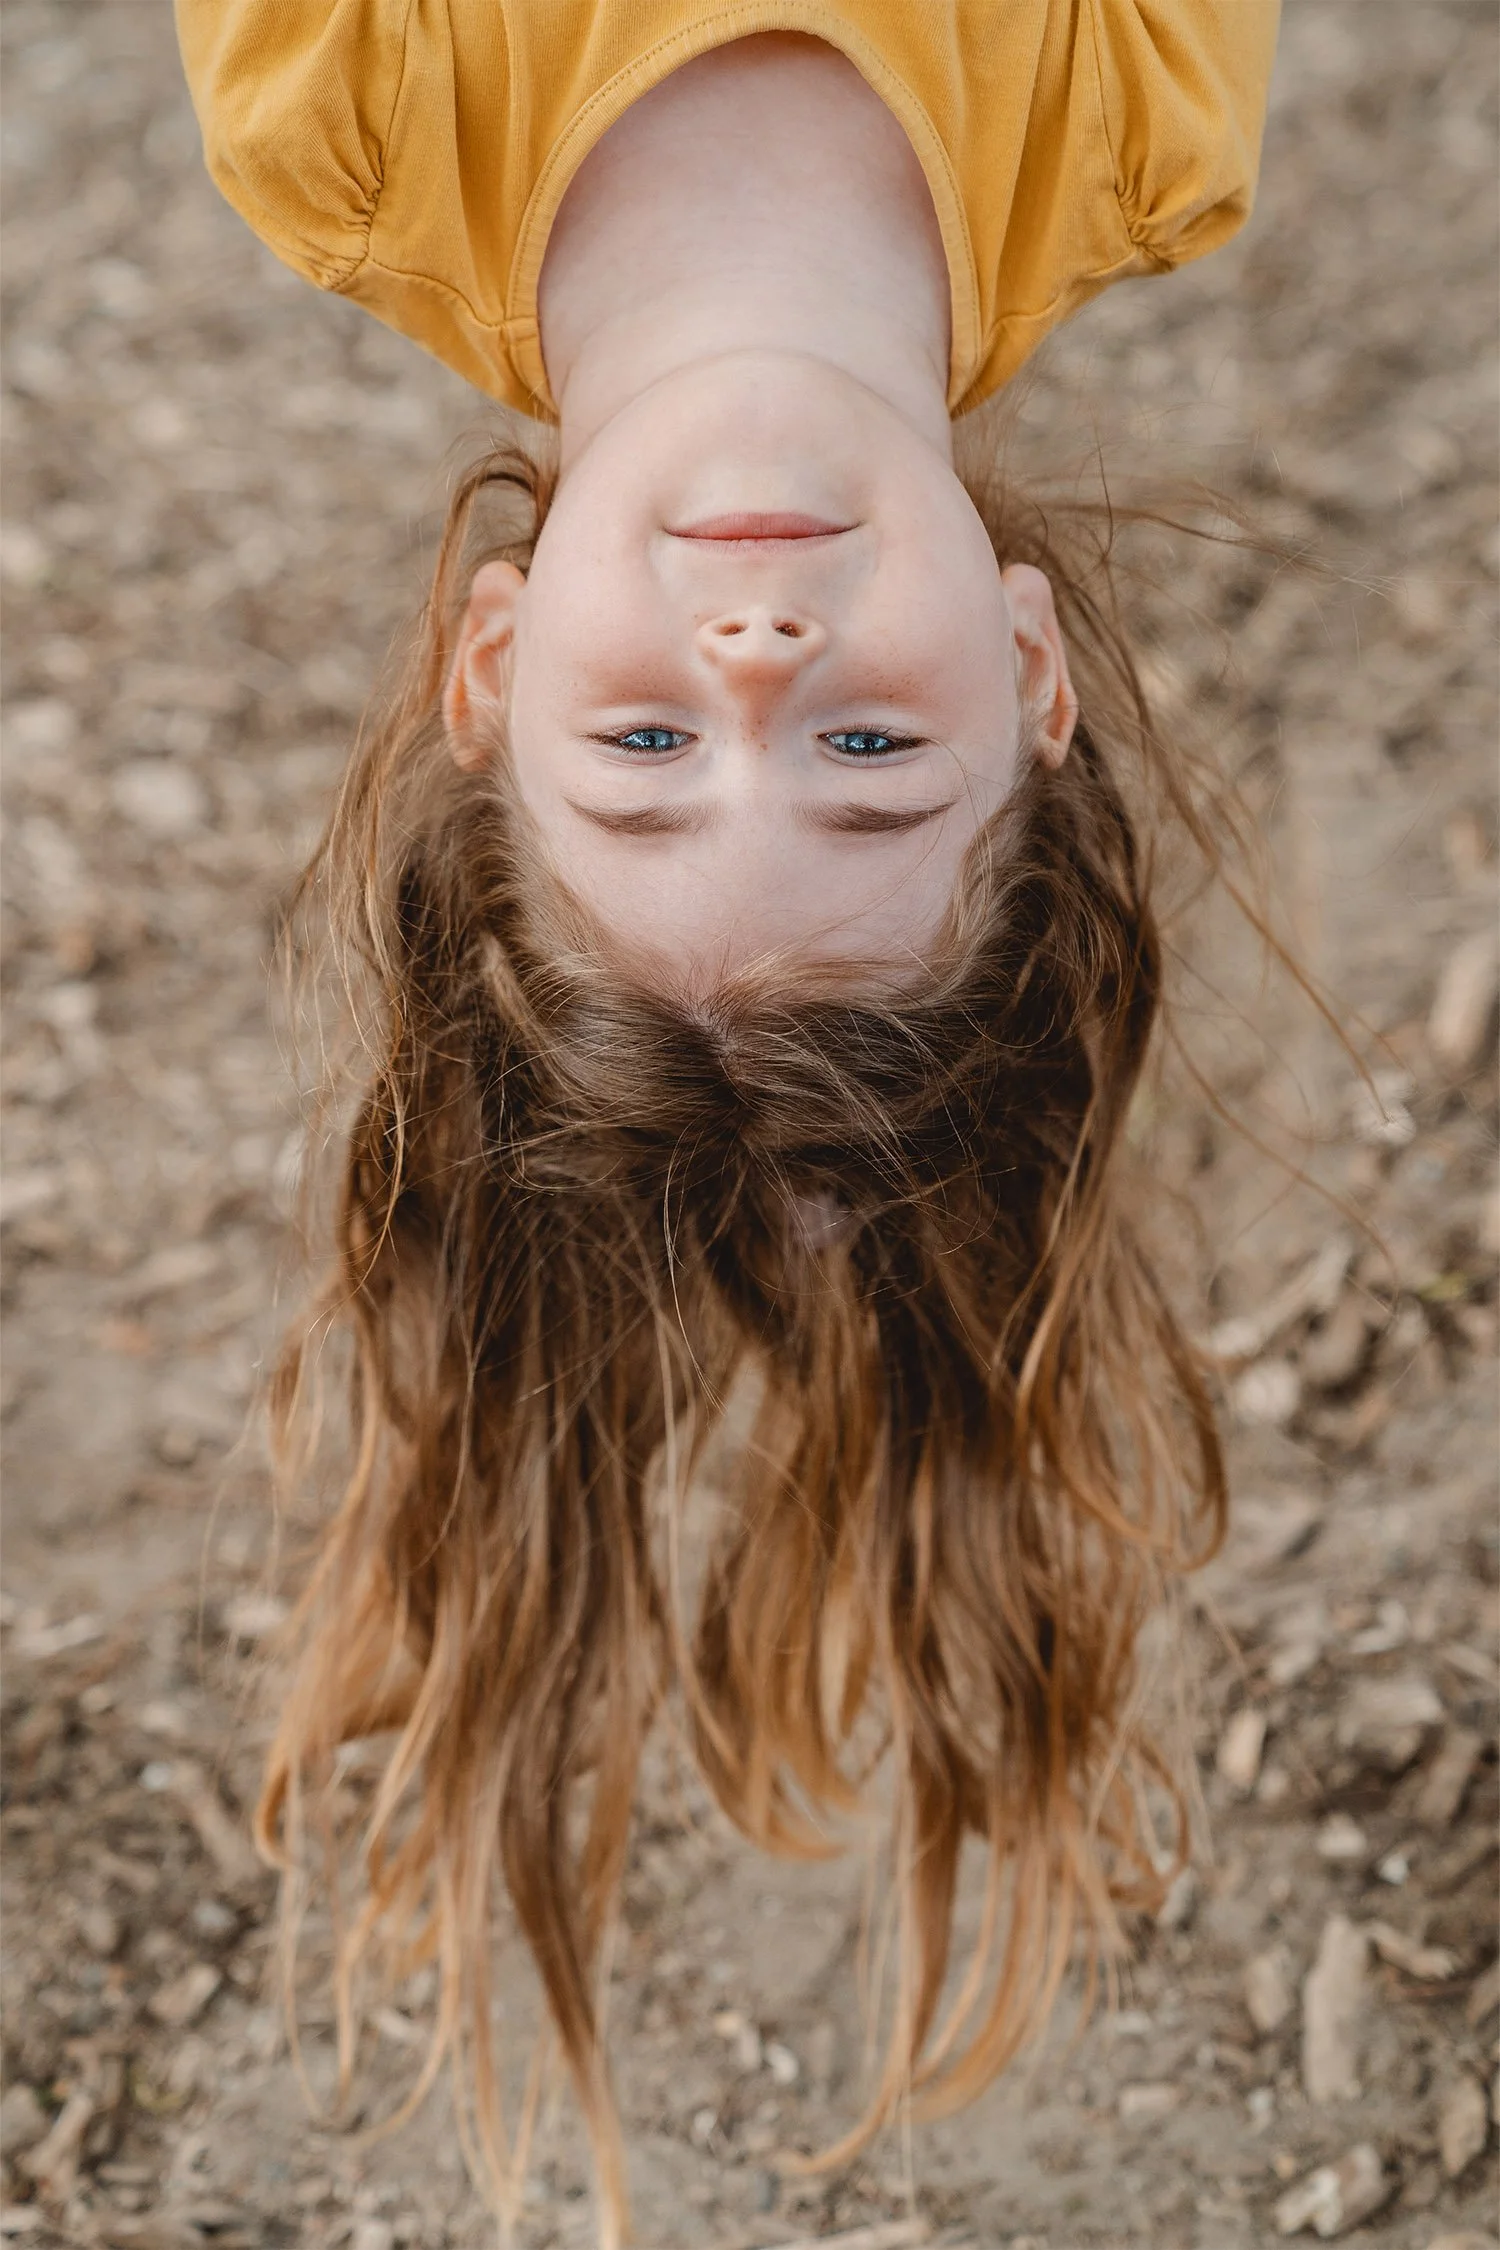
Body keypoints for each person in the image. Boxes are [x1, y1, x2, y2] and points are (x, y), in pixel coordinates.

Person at [176, 5, 1279, 2240]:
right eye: (876, 753)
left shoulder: (334, 107)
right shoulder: (1146, 108)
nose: (763, 652)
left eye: (647, 754)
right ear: (1033, 673)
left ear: (485, 675)